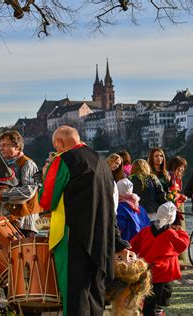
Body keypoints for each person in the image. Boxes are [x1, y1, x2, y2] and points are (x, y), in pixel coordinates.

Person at [38, 125, 128, 316]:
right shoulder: (101, 160)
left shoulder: (64, 160)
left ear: (59, 143)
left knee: (74, 294)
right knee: (95, 294)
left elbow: (46, 200)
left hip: (73, 236)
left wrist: (46, 175)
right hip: (101, 236)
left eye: (56, 146)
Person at [130, 202, 189, 316]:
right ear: (171, 218)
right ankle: (157, 311)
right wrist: (181, 232)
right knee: (164, 293)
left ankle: (151, 312)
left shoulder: (146, 230)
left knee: (150, 296)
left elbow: (134, 245)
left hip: (147, 268)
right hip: (165, 271)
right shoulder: (171, 233)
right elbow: (182, 245)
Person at [0, 130, 42, 236]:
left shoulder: (28, 164)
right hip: (7, 223)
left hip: (25, 225)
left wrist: (3, 195)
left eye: (5, 145)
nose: (1, 148)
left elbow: (29, 191)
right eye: (0, 145)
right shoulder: (3, 166)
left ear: (17, 147)